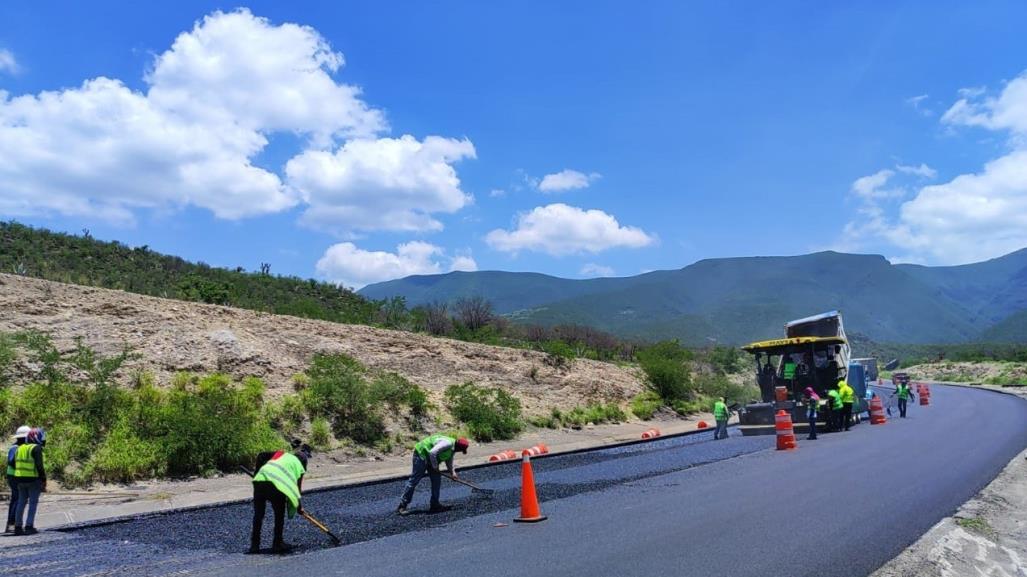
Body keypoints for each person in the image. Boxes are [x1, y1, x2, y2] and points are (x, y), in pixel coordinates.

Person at [249, 443, 311, 554]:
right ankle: (277, 543)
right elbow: (297, 489)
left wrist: (257, 472)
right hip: (276, 485)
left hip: (259, 480)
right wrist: (299, 506)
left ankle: (254, 545)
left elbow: (261, 455)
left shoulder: (281, 454)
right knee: (279, 514)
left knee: (258, 514)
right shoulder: (300, 464)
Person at [396, 434, 470, 516]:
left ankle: (435, 505)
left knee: (436, 481)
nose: (459, 452)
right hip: (422, 455)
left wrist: (453, 473)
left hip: (432, 459)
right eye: (460, 450)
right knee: (414, 481)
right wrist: (435, 467)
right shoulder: (447, 444)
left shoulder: (453, 449)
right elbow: (432, 452)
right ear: (458, 447)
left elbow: (449, 461)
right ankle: (402, 506)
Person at [13, 428, 45, 535]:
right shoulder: (36, 448)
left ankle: (17, 527)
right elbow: (39, 466)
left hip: (20, 479)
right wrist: (43, 479)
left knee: (21, 502)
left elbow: (13, 463)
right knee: (32, 503)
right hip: (33, 480)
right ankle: (29, 526)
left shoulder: (20, 448)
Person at [5, 426, 30, 534]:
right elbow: (11, 462)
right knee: (18, 499)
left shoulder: (17, 447)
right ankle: (13, 524)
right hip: (15, 476)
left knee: (16, 499)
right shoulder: (16, 448)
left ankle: (11, 525)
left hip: (14, 476)